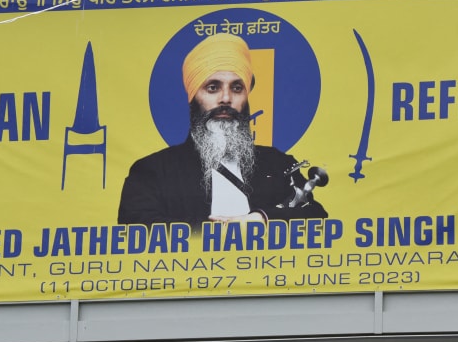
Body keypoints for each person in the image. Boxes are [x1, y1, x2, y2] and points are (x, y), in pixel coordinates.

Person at [117, 32, 327, 227]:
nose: (226, 98)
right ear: (193, 97)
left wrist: (262, 219)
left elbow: (317, 217)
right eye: (212, 88)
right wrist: (221, 234)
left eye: (237, 88)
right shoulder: (153, 171)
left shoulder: (277, 164)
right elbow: (136, 225)